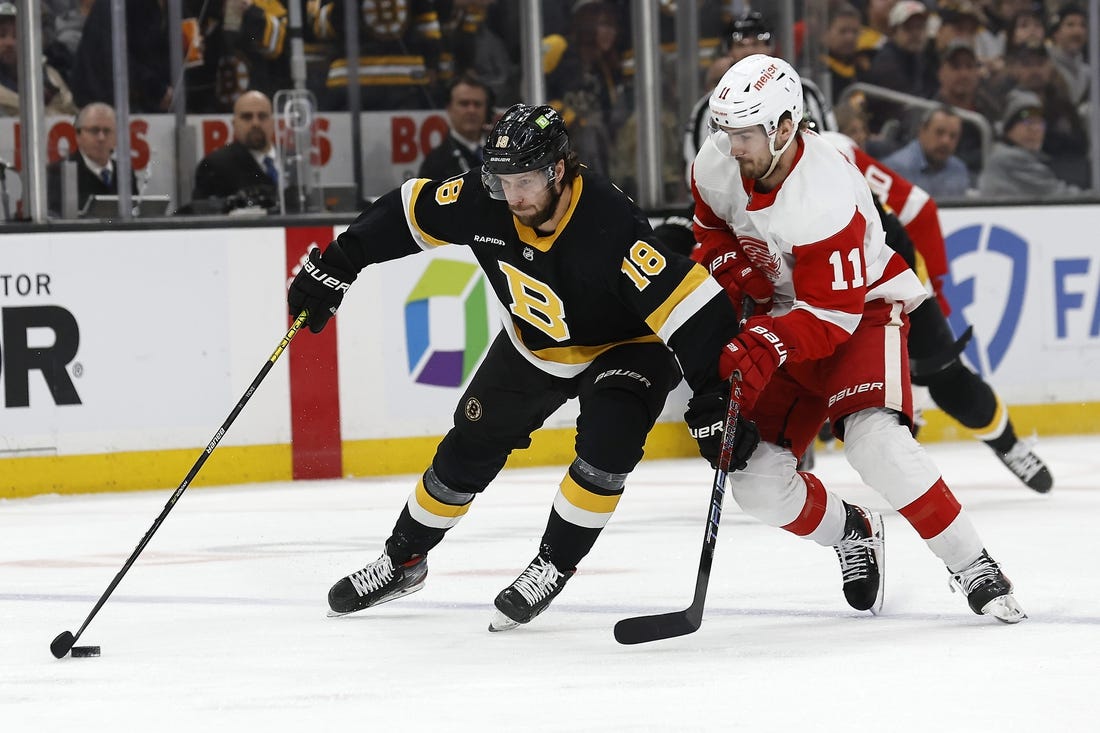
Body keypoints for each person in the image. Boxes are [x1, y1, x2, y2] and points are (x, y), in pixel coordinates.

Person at [286, 103, 747, 630]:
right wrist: (340, 263)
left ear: (558, 169)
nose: (513, 195)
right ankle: (403, 560)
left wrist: (716, 395)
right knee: (468, 448)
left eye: (525, 180)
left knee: (608, 447)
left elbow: (698, 309)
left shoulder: (608, 225)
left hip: (629, 345)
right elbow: (409, 211)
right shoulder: (486, 200)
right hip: (536, 343)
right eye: (502, 180)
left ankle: (554, 563)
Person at [690, 54, 1025, 623]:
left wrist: (765, 341)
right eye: (727, 130)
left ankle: (972, 563)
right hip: (785, 314)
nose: (731, 144)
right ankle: (853, 531)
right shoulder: (716, 160)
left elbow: (830, 321)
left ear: (785, 128)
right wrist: (736, 271)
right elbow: (710, 230)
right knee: (757, 483)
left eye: (744, 132)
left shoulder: (825, 194)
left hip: (858, 312)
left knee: (875, 441)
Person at [822, 129, 1053, 493]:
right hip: (818, 289)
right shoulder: (736, 171)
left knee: (946, 378)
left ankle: (1009, 445)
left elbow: (917, 207)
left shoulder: (830, 150)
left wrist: (938, 287)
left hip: (887, 277)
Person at [978, 88, 1085, 198]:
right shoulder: (1008, 158)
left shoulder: (1031, 156)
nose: (1035, 129)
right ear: (1009, 129)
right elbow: (1059, 195)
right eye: (1027, 123)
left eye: (1039, 123)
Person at [192, 90, 279, 208]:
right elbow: (203, 216)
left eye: (262, 116)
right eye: (247, 117)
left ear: (272, 122)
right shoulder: (216, 165)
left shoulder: (293, 160)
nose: (256, 123)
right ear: (234, 124)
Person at [46, 102, 136, 216]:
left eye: (107, 131)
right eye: (94, 130)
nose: (101, 138)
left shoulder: (125, 172)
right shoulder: (59, 172)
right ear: (78, 135)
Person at [0, 1, 77, 118]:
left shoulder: (51, 77)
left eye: (16, 35)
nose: (9, 43)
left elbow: (71, 115)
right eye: (2, 35)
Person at [882, 105, 972, 198]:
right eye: (939, 132)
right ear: (922, 131)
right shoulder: (895, 168)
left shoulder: (959, 169)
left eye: (953, 136)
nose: (946, 141)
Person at [417, 73, 492, 180]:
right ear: (449, 108)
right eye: (464, 104)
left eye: (477, 104)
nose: (472, 110)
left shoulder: (503, 151)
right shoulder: (435, 164)